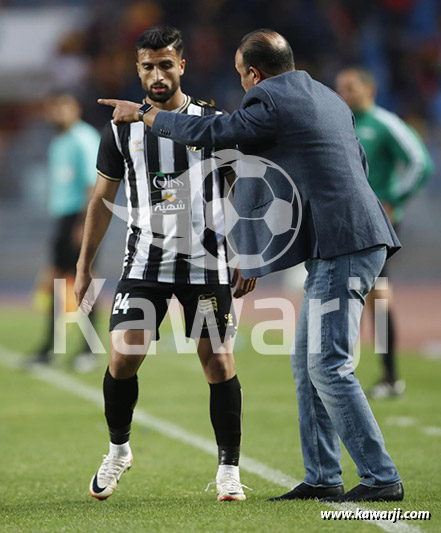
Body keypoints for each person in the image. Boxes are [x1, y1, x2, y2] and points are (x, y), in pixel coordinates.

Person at [100, 28, 405, 503]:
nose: (244, 86)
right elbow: (353, 164)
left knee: (328, 365)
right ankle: (323, 476)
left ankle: (381, 478)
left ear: (253, 73)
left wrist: (145, 114)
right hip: (345, 238)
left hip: (344, 244)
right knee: (308, 365)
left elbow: (213, 133)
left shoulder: (268, 101)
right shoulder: (325, 96)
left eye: (243, 76)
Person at [74, 26, 256, 503]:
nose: (157, 74)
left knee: (218, 363)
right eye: (148, 66)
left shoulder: (212, 121)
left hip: (207, 264)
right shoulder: (119, 127)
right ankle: (119, 450)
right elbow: (101, 200)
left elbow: (246, 188)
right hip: (145, 263)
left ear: (182, 65)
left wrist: (248, 248)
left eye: (166, 64)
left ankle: (229, 470)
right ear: (138, 70)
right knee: (124, 354)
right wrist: (83, 265)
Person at [336, 67, 433, 399]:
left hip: (379, 222)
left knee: (375, 295)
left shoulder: (384, 123)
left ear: (369, 88)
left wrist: (392, 200)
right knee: (363, 293)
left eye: (350, 88)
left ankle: (388, 375)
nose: (344, 94)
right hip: (349, 220)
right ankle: (372, 375)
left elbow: (421, 163)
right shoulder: (343, 124)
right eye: (340, 89)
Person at [31, 93, 100, 373]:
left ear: (75, 108)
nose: (58, 112)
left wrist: (83, 225)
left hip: (78, 218)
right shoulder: (59, 142)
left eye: (64, 106)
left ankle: (88, 349)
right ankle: (50, 347)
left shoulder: (84, 138)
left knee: (83, 283)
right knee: (56, 284)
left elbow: (93, 184)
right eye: (54, 107)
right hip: (63, 218)